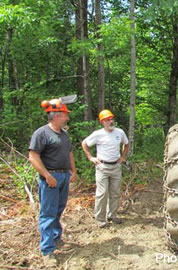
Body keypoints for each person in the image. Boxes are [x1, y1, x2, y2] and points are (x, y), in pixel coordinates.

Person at [28, 98, 76, 266]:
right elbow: (33, 156)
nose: (67, 118)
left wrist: (73, 170)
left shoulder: (64, 134)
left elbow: (69, 153)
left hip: (63, 177)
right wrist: (47, 176)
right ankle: (47, 250)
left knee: (58, 209)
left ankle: (56, 238)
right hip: (50, 179)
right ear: (56, 116)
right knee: (48, 213)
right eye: (65, 115)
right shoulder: (42, 133)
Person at [82, 109, 129, 228]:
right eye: (108, 120)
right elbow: (84, 143)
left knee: (115, 192)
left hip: (116, 166)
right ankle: (100, 218)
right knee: (102, 193)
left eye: (112, 119)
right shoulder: (98, 134)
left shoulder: (119, 132)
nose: (111, 121)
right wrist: (90, 157)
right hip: (102, 166)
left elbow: (126, 144)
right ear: (102, 122)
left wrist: (123, 157)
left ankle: (112, 215)